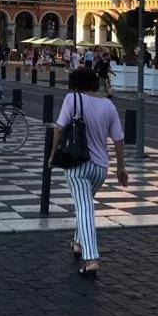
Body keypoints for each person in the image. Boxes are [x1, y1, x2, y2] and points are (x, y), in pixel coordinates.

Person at [46, 68, 128, 280]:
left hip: (77, 165)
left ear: (75, 85)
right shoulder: (108, 105)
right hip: (100, 168)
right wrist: (121, 167)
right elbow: (118, 139)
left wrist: (53, 155)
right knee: (85, 205)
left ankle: (91, 260)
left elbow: (59, 129)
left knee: (84, 208)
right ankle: (78, 243)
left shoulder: (72, 99)